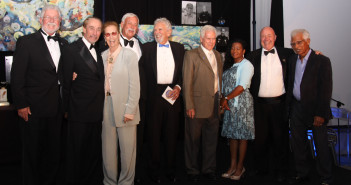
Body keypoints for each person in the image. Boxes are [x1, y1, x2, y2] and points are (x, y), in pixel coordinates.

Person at [10, 4, 67, 185]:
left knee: (53, 152)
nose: (52, 21)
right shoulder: (26, 42)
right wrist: (21, 105)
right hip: (33, 109)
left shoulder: (64, 44)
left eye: (55, 18)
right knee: (32, 153)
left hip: (57, 108)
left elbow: (63, 73)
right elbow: (17, 77)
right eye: (48, 18)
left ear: (60, 22)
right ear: (41, 20)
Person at [139, 17, 185, 183]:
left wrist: (179, 87)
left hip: (173, 94)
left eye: (160, 29)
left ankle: (170, 170)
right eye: (155, 30)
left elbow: (182, 74)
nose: (157, 32)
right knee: (153, 136)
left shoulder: (180, 49)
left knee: (172, 136)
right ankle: (154, 170)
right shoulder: (146, 48)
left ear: (169, 32)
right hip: (153, 96)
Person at [246, 26, 294, 182]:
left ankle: (281, 171)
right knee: (260, 140)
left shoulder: (287, 53)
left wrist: (315, 53)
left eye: (269, 35)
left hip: (279, 105)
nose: (266, 39)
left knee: (280, 140)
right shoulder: (252, 55)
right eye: (263, 36)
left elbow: (303, 54)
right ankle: (261, 169)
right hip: (259, 105)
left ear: (275, 37)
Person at [61, 17, 104, 185]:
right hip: (78, 112)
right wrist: (66, 110)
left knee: (93, 153)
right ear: (84, 30)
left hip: (97, 112)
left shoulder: (100, 50)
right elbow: (65, 83)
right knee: (76, 155)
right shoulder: (72, 50)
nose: (95, 32)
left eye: (98, 29)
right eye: (91, 28)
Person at [287, 29, 333, 185]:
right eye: (293, 43)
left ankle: (326, 177)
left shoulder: (322, 60)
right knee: (298, 144)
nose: (296, 46)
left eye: (299, 42)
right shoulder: (292, 59)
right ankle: (302, 173)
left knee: (321, 145)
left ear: (308, 41)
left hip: (316, 109)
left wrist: (320, 113)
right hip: (297, 108)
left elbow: (326, 89)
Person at [101, 21, 140, 185]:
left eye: (114, 33)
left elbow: (135, 85)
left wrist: (130, 110)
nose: (111, 37)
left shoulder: (129, 55)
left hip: (126, 108)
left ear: (118, 34)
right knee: (108, 151)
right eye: (107, 34)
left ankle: (126, 182)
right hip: (106, 105)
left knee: (127, 152)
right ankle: (109, 181)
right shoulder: (102, 55)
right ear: (104, 37)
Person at [183, 25, 223, 182]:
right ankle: (192, 170)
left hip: (214, 105)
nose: (211, 41)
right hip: (196, 106)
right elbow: (187, 83)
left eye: (213, 38)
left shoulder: (218, 55)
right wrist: (189, 105)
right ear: (201, 39)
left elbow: (218, 79)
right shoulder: (191, 55)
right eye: (208, 38)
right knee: (192, 141)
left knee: (211, 140)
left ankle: (208, 169)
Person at [220, 39, 255, 181]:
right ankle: (232, 165)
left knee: (242, 136)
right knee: (232, 136)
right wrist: (224, 99)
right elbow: (223, 85)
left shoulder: (247, 65)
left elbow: (242, 86)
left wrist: (226, 98)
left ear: (244, 51)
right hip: (228, 104)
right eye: (233, 48)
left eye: (238, 48)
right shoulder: (229, 65)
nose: (235, 51)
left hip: (242, 104)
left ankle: (240, 167)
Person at [119, 13, 145, 183]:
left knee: (133, 142)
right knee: (115, 143)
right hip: (117, 99)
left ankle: (130, 176)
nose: (132, 27)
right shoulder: (110, 42)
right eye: (129, 23)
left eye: (135, 25)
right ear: (122, 24)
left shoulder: (139, 44)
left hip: (136, 99)